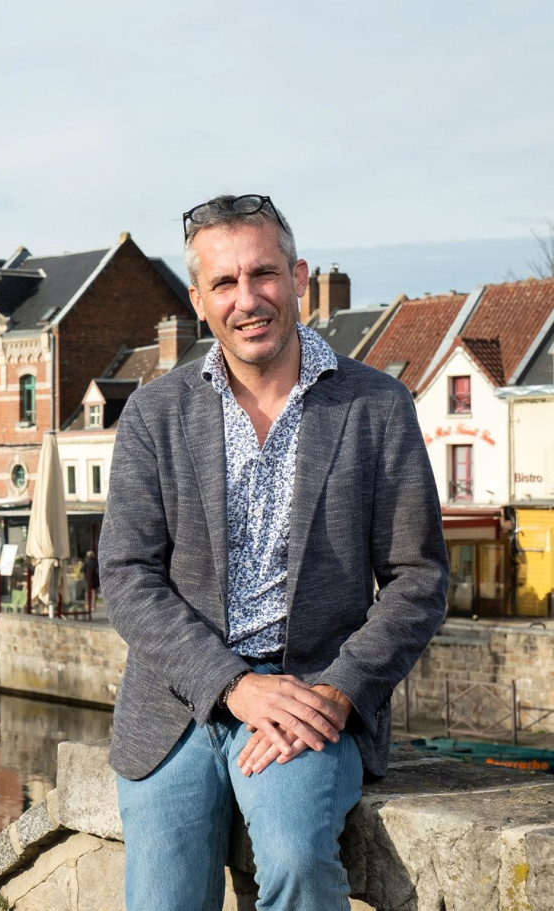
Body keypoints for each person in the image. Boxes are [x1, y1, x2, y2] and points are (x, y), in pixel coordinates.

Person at [97, 193, 448, 910]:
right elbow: (127, 575)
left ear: (299, 277)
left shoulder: (376, 406)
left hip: (308, 693)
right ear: (198, 301)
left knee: (295, 861)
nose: (247, 299)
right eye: (224, 282)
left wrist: (339, 692)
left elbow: (418, 578)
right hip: (177, 701)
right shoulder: (155, 413)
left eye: (262, 273)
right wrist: (231, 684)